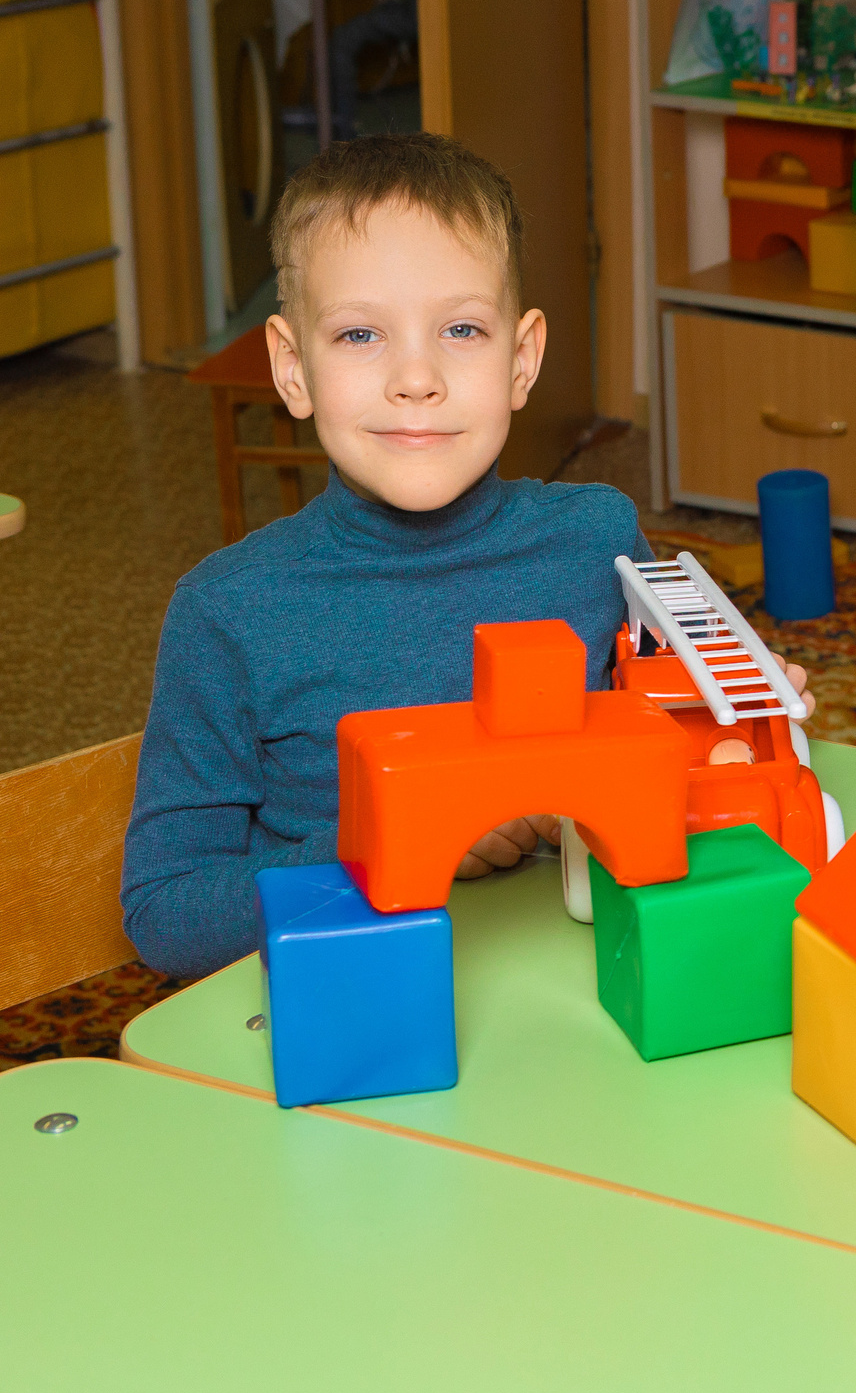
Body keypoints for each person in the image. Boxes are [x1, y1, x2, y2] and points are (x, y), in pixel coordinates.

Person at [125, 137, 671, 978]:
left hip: (580, 1000)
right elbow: (166, 915)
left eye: (461, 328)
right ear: (292, 367)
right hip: (353, 1025)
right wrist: (391, 830)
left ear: (520, 360)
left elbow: (677, 752)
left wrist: (736, 710)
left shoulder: (597, 540)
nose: (416, 377)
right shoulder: (228, 611)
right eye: (358, 334)